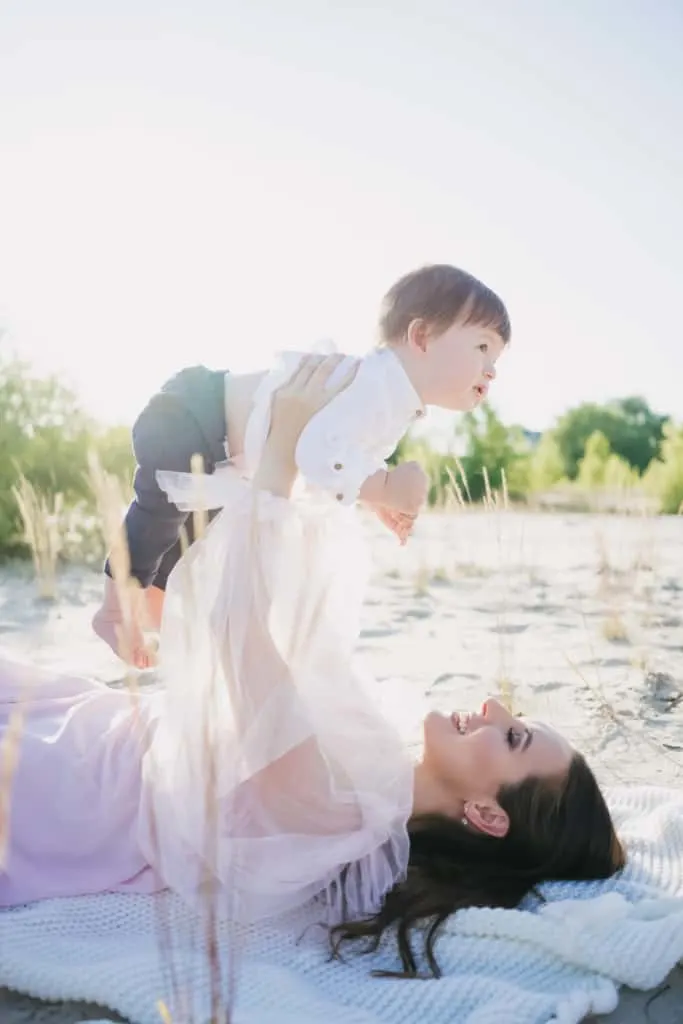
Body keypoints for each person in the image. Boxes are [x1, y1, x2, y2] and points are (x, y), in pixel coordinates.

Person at [0, 357, 624, 979]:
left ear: (488, 816)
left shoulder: (342, 812)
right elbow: (284, 629)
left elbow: (236, 628)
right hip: (92, 729)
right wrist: (345, 480)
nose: (494, 708)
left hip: (67, 788)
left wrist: (281, 454)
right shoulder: (374, 774)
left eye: (513, 736)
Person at [92, 263, 510, 668]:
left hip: (227, 457)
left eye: (497, 358)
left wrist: (375, 497)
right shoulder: (375, 386)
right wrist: (382, 485)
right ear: (421, 336)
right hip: (192, 412)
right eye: (482, 347)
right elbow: (314, 453)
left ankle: (149, 605)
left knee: (190, 531)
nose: (491, 370)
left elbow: (347, 454)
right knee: (159, 516)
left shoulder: (398, 402)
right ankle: (112, 612)